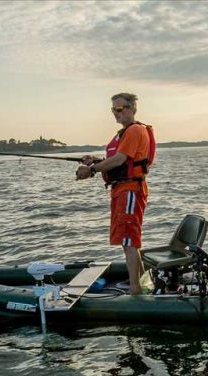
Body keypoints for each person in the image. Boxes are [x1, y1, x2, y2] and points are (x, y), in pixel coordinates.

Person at [76, 93, 152, 295]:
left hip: (130, 191)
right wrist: (94, 159)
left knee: (129, 242)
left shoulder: (135, 130)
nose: (116, 113)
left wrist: (91, 170)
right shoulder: (125, 133)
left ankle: (136, 292)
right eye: (113, 110)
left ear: (132, 109)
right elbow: (119, 159)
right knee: (130, 241)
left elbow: (119, 160)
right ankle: (143, 286)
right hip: (122, 190)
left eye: (120, 109)